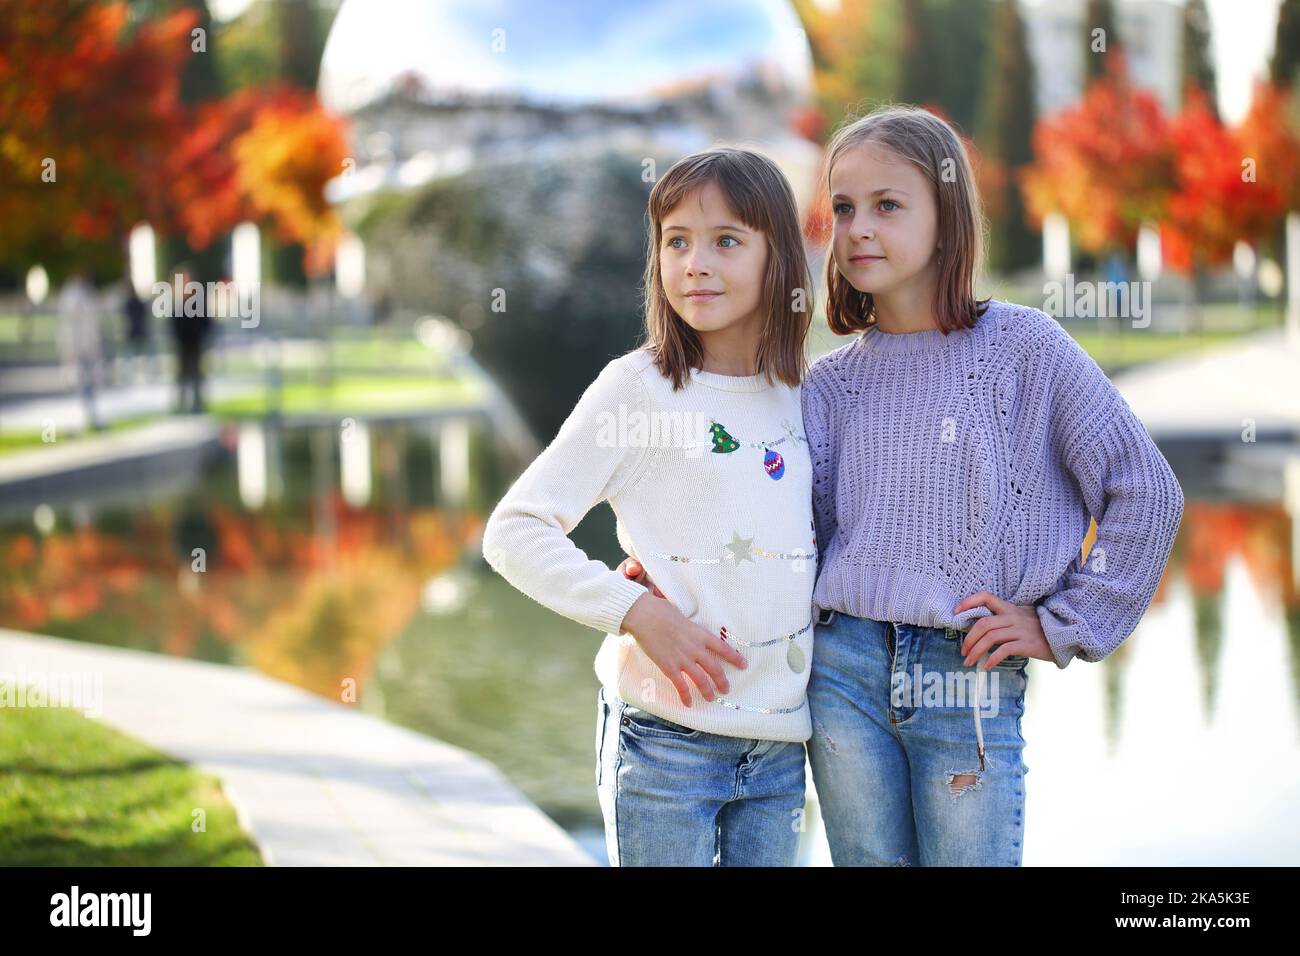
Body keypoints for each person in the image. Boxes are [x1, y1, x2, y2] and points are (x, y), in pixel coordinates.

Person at [482, 148, 817, 866]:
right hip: (666, 744)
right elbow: (513, 531)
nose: (695, 262)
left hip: (782, 749)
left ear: (778, 257)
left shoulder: (800, 393)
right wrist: (635, 611)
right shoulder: (637, 389)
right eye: (676, 241)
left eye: (726, 240)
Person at [56, 268, 104, 430]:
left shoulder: (89, 293)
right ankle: (79, 419)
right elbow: (68, 324)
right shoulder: (71, 295)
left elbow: (93, 323)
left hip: (89, 346)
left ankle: (92, 417)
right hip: (76, 346)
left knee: (91, 383)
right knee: (78, 382)